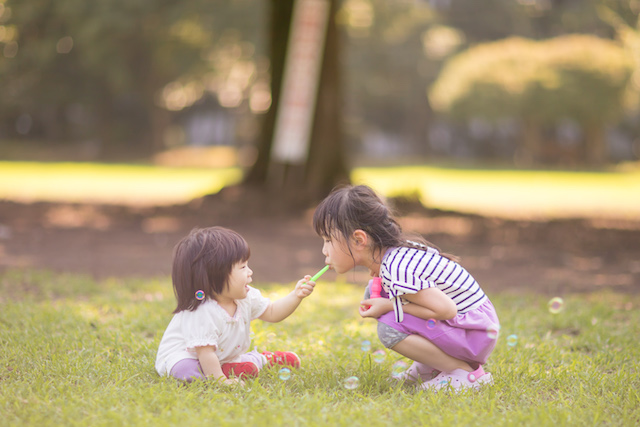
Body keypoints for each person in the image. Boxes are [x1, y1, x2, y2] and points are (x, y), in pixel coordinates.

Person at [313, 185, 500, 391]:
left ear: (359, 240)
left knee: (389, 327)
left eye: (328, 240)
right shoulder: (393, 256)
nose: (324, 250)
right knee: (374, 294)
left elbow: (447, 310)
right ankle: (431, 366)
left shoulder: (395, 268)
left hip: (474, 332)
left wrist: (388, 305)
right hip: (471, 326)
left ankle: (462, 374)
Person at [155, 226, 316, 384]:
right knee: (185, 370)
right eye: (243, 267)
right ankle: (226, 370)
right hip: (184, 356)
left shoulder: (246, 296)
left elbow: (273, 312)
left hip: (223, 356)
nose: (250, 272)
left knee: (221, 364)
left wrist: (296, 296)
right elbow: (205, 353)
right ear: (215, 276)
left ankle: (262, 359)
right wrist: (220, 381)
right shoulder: (202, 311)